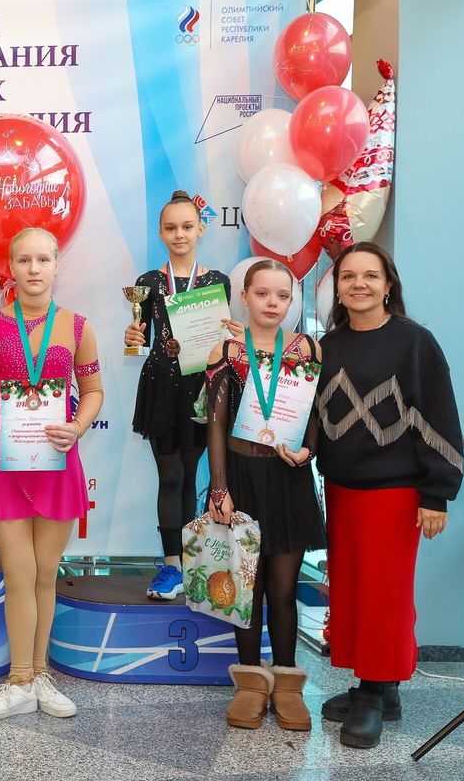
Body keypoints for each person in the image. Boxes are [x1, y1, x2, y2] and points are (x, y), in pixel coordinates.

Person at [314, 242, 463, 749]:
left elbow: (439, 415)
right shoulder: (329, 345)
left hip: (394, 493)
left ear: (388, 285)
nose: (359, 284)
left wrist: (436, 494)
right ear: (337, 288)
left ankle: (373, 694)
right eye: (348, 276)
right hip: (342, 490)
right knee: (354, 590)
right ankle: (380, 687)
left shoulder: (415, 343)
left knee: (385, 595)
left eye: (370, 276)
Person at [0, 227, 103, 721]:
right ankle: (19, 680)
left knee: (45, 574)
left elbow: (94, 391)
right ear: (11, 267)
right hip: (3, 468)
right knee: (19, 573)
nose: (34, 268)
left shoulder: (77, 326)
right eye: (24, 260)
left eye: (43, 259)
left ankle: (39, 676)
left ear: (57, 265)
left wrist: (77, 427)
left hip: (57, 464)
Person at [203, 259, 325, 731]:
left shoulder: (306, 348)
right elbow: (215, 425)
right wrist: (219, 487)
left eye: (282, 295)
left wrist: (309, 448)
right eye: (262, 293)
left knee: (284, 588)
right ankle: (251, 685)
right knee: (246, 588)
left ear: (292, 301)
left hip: (288, 478)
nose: (272, 303)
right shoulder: (226, 351)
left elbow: (313, 410)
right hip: (241, 479)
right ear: (245, 297)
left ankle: (288, 685)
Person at [126, 190, 232, 599]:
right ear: (160, 233)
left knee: (189, 475)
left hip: (200, 389)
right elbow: (142, 339)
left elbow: (219, 341)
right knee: (169, 475)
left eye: (187, 226)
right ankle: (171, 567)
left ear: (201, 229)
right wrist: (133, 339)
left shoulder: (217, 282)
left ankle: (188, 565)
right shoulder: (149, 283)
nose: (179, 234)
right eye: (171, 228)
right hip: (161, 387)